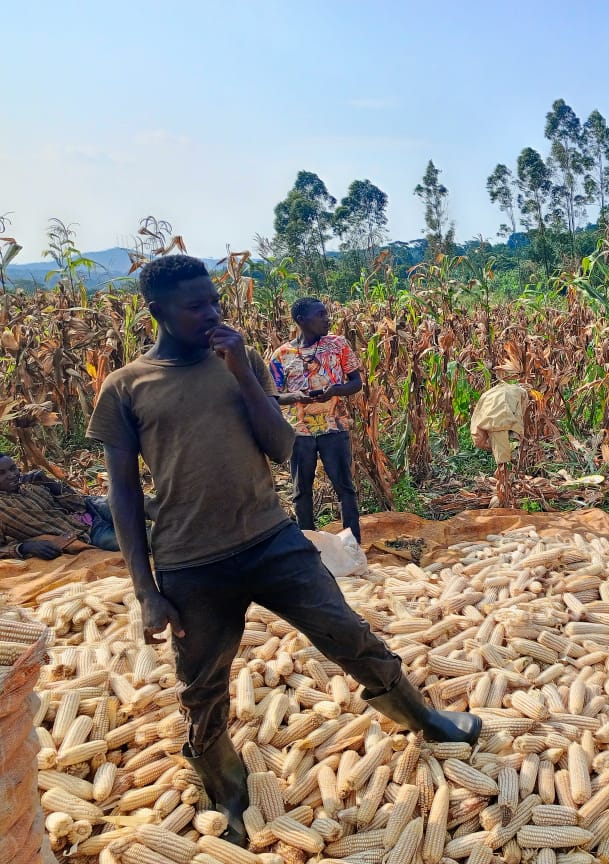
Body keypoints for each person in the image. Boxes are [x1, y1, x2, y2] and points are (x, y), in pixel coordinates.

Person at [87, 256, 480, 847]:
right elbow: (121, 493)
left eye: (214, 300)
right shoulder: (127, 387)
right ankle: (226, 786)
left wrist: (243, 371)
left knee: (348, 633)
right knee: (201, 685)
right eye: (196, 306)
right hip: (190, 563)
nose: (212, 313)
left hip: (272, 541)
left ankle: (424, 720)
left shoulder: (237, 364)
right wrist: (145, 590)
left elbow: (280, 446)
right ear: (158, 311)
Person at [269, 297, 363, 543]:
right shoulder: (281, 355)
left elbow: (356, 383)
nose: (327, 318)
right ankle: (307, 546)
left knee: (345, 488)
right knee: (302, 491)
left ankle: (353, 544)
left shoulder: (338, 345)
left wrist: (334, 390)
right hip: (300, 431)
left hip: (335, 426)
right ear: (301, 320)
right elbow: (271, 395)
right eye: (320, 315)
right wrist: (295, 396)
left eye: (326, 314)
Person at [0, 454, 119, 559]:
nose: (11, 475)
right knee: (130, 540)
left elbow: (78, 502)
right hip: (87, 533)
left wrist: (49, 482)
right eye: (1, 473)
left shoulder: (30, 484)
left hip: (91, 507)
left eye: (13, 468)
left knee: (129, 508)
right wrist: (24, 548)